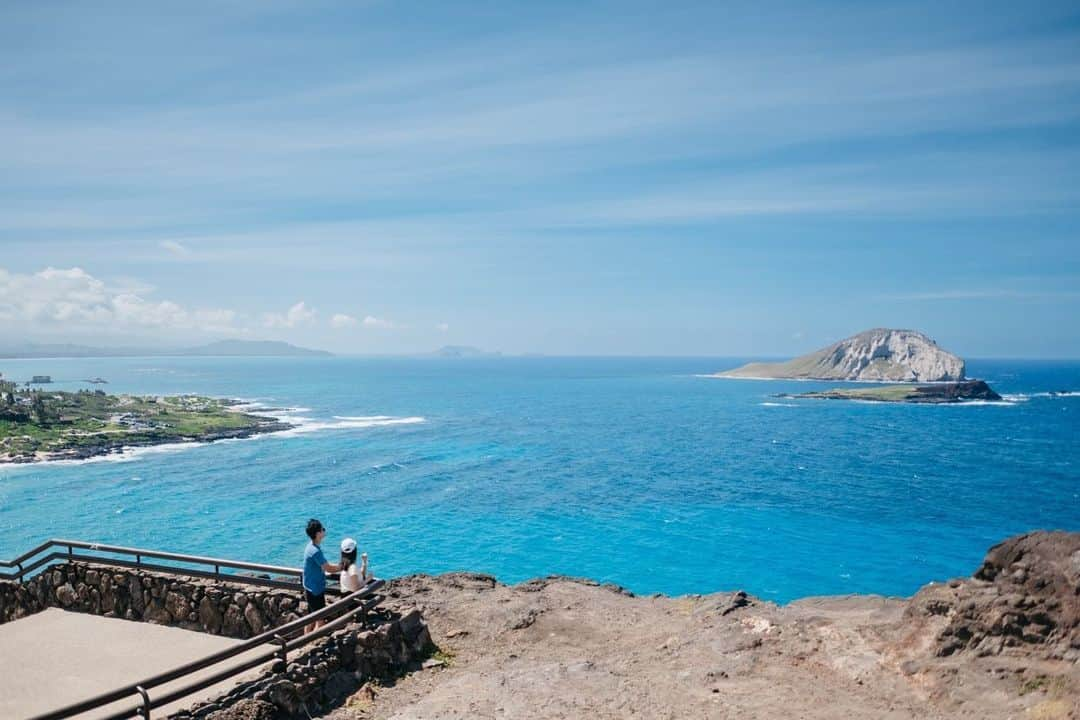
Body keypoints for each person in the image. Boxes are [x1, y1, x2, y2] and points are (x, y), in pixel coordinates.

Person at [302, 518, 339, 633]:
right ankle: (312, 644)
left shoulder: (310, 547)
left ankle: (304, 643)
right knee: (320, 621)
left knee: (311, 619)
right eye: (322, 529)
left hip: (309, 588)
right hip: (315, 590)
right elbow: (328, 568)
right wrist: (342, 566)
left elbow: (324, 566)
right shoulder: (315, 551)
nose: (324, 530)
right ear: (318, 533)